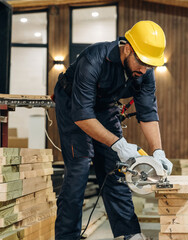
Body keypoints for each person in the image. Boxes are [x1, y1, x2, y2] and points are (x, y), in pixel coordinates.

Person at [53, 20, 173, 240]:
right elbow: (83, 116)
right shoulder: (94, 59)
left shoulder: (145, 71)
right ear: (127, 48)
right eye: (142, 62)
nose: (144, 70)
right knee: (79, 169)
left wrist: (158, 152)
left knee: (116, 170)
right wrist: (118, 143)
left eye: (150, 65)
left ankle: (129, 234)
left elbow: (147, 113)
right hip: (73, 104)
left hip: (105, 105)